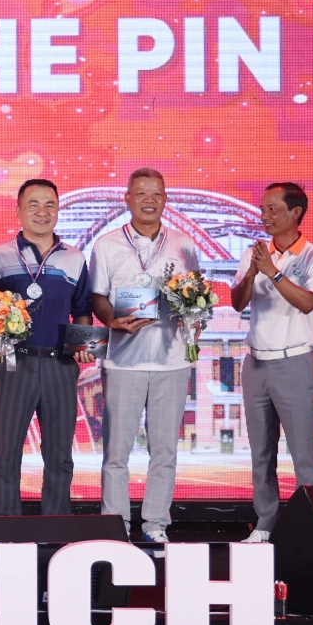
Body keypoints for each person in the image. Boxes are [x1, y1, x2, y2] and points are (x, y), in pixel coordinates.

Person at [88, 167, 206, 542]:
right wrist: (112, 320)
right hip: (123, 361)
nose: (149, 200)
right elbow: (97, 296)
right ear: (127, 199)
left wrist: (196, 321)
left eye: (156, 194)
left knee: (165, 451)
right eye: (141, 193)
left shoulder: (184, 245)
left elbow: (197, 295)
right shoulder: (106, 245)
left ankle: (156, 524)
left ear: (165, 199)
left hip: (172, 360)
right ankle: (115, 524)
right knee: (116, 451)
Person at [0, 178, 95, 516]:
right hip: (15, 363)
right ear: (18, 211)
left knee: (60, 455)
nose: (42, 212)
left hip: (61, 366)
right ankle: (4, 529)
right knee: (6, 452)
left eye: (50, 205)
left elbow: (82, 309)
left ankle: (56, 528)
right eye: (34, 205)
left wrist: (84, 344)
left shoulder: (74, 258)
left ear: (57, 210)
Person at [230, 182, 313, 542]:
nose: (265, 215)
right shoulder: (254, 253)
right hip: (256, 365)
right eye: (263, 209)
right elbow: (238, 303)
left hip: (295, 363)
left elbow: (307, 302)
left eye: (273, 209)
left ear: (296, 212)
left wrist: (273, 272)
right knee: (261, 454)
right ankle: (265, 524)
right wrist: (253, 271)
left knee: (303, 454)